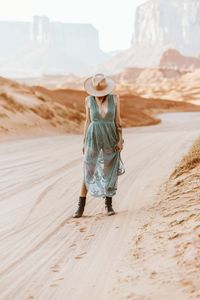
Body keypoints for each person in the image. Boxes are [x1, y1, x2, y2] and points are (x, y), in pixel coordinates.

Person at [73, 73, 125, 218]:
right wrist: (84, 141)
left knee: (109, 170)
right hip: (93, 136)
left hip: (110, 135)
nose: (100, 95)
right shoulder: (88, 100)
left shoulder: (115, 98)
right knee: (88, 170)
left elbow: (118, 120)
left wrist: (120, 139)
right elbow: (88, 121)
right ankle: (80, 207)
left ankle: (108, 205)